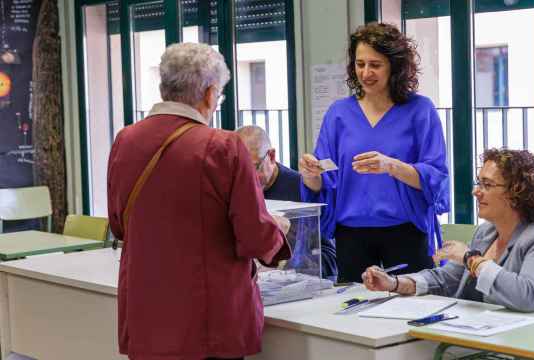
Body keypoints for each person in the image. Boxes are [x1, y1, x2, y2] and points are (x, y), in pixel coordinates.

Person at [107, 43, 291, 360]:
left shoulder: (125, 139)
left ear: (164, 87)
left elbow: (118, 224)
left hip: (147, 312)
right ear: (209, 93)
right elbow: (253, 233)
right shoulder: (224, 146)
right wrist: (278, 231)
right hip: (208, 320)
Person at [298, 22, 450, 282]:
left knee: (409, 313)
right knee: (352, 314)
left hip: (406, 233)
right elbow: (325, 178)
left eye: (375, 65)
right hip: (352, 235)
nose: (366, 72)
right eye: (360, 64)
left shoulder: (420, 110)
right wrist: (311, 174)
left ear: (395, 66)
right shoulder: (339, 113)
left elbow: (435, 178)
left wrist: (391, 165)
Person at [363, 148, 534, 312]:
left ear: (516, 193)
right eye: (478, 183)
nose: (476, 191)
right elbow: (445, 280)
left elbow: (530, 297)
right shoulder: (486, 233)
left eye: (487, 184)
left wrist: (470, 259)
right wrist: (395, 283)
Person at [236, 125, 338, 280]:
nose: (248, 178)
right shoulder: (236, 190)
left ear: (271, 156)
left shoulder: (302, 190)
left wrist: (288, 262)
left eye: (254, 168)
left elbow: (329, 258)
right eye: (239, 169)